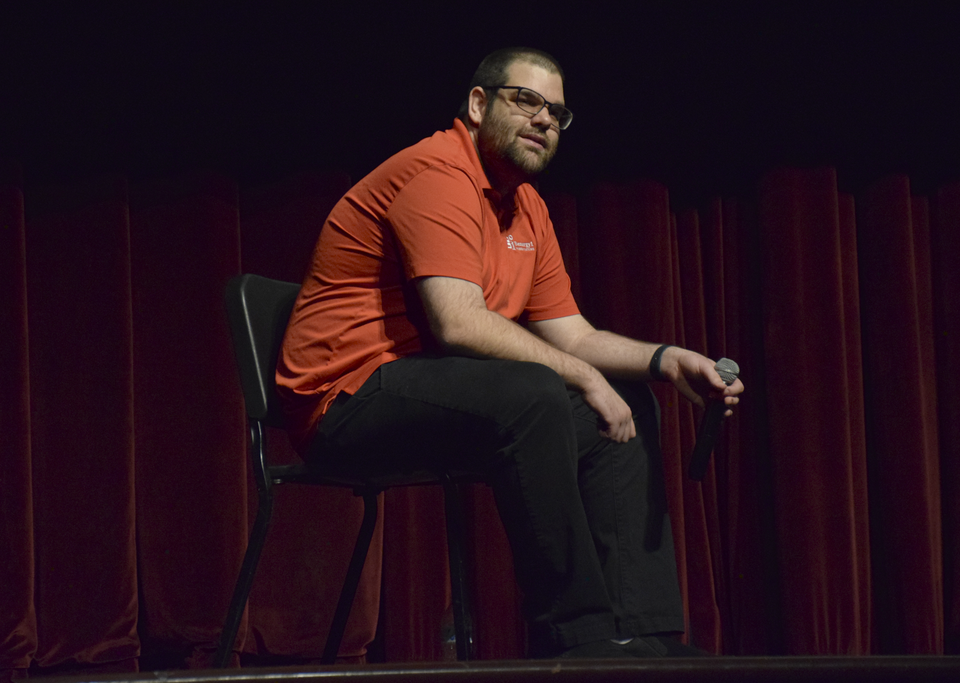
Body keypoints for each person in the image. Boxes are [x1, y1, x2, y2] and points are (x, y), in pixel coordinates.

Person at [276, 46, 743, 659]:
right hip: (344, 399)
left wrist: (666, 358)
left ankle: (644, 637)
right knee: (537, 393)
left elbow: (571, 334)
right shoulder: (436, 175)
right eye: (527, 100)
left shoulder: (527, 207)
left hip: (423, 383)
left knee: (623, 404)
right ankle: (579, 637)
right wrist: (581, 377)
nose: (544, 119)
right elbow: (459, 324)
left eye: (557, 111)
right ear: (478, 104)